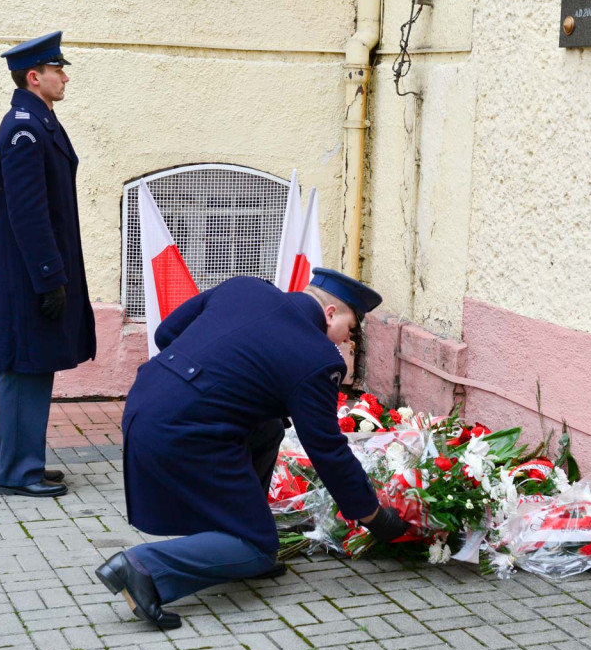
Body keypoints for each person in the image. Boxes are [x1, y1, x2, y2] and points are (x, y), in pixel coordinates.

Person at [95, 269, 410, 629]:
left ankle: (234, 537)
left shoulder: (245, 287)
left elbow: (166, 333)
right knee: (260, 548)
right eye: (351, 328)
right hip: (186, 432)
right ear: (331, 313)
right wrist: (372, 516)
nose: (348, 339)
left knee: (269, 428)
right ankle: (143, 568)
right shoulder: (316, 357)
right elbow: (327, 450)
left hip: (145, 404)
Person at [0, 31, 96, 498]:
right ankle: (17, 473)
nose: (64, 77)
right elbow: (28, 213)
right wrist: (49, 277)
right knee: (24, 368)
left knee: (34, 366)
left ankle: (28, 463)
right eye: (57, 69)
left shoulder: (39, 120)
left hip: (34, 272)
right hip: (28, 276)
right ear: (34, 76)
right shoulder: (24, 128)